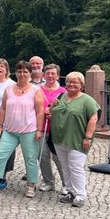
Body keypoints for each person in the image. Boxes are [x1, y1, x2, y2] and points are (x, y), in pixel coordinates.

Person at [0, 61, 45, 198]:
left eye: (25, 71)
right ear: (16, 73)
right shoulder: (9, 89)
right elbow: (3, 108)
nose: (22, 74)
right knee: (0, 154)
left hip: (29, 130)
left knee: (30, 158)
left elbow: (40, 112)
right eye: (20, 71)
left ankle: (31, 185)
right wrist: (0, 125)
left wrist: (39, 130)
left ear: (30, 73)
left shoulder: (35, 90)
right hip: (10, 130)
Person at [49, 72, 99, 207]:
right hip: (60, 138)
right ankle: (70, 191)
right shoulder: (61, 96)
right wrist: (51, 109)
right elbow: (51, 112)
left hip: (77, 139)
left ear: (82, 85)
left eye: (75, 82)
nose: (71, 84)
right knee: (65, 166)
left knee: (76, 167)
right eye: (69, 81)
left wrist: (87, 137)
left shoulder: (87, 100)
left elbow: (93, 119)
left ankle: (80, 195)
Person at [39, 64, 67, 192]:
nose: (50, 76)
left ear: (57, 75)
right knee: (43, 156)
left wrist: (54, 113)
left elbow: (67, 111)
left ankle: (67, 184)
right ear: (43, 75)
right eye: (47, 73)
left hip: (57, 130)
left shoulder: (63, 92)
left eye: (53, 73)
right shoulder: (38, 90)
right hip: (41, 128)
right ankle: (48, 181)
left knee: (59, 158)